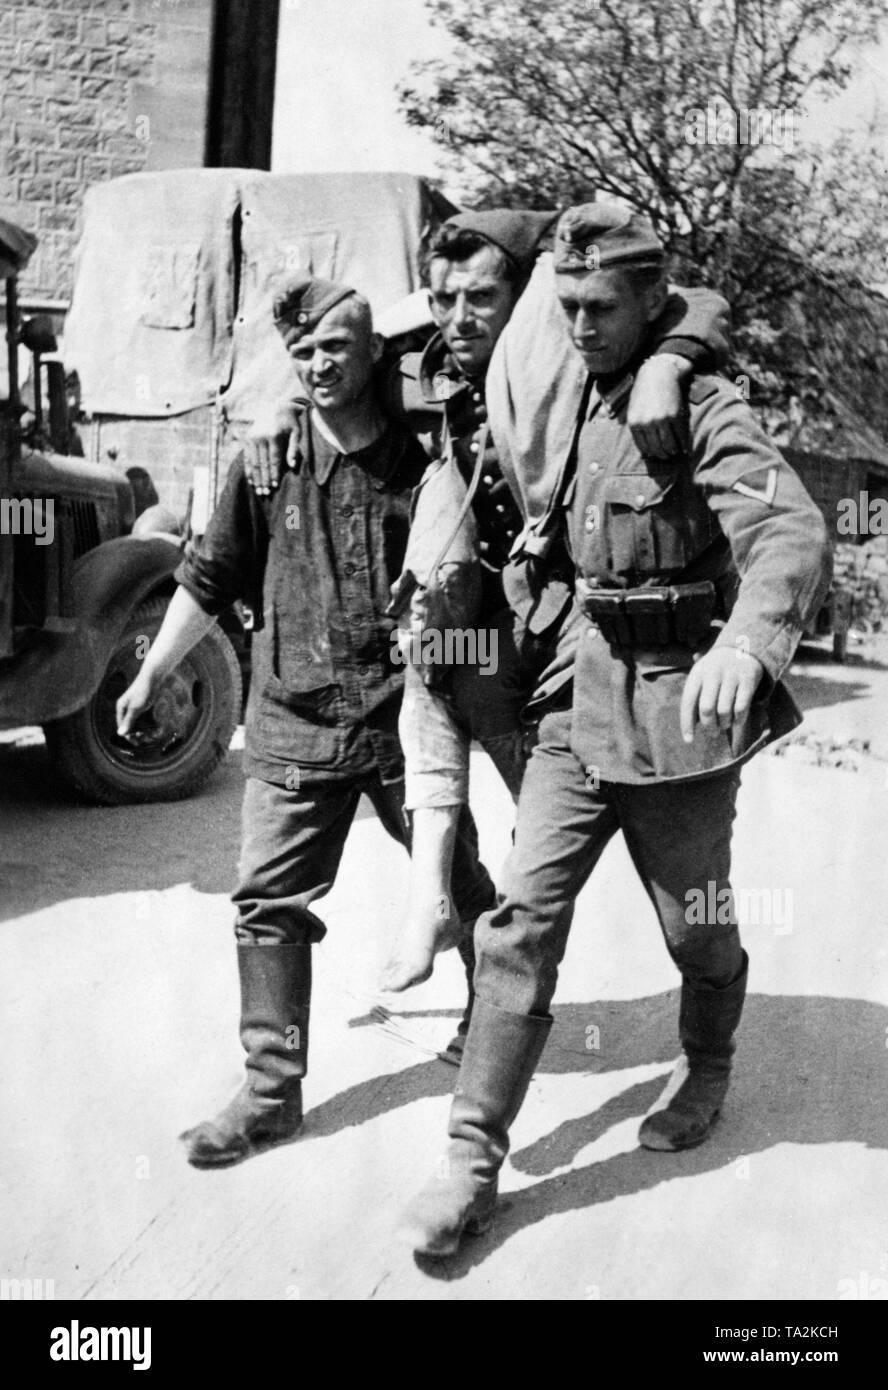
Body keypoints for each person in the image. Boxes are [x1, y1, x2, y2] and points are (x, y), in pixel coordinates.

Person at [399, 202, 831, 1257]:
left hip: (684, 712)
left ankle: (710, 1062)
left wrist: (746, 644)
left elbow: (791, 528)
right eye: (569, 305)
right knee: (519, 921)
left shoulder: (702, 404)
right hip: (577, 701)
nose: (581, 325)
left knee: (696, 923)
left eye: (601, 307)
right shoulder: (579, 400)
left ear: (650, 302)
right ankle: (469, 1159)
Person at [246, 211, 732, 1010]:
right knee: (432, 659)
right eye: (443, 298)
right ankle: (442, 921)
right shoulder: (423, 359)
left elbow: (697, 303)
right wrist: (279, 405)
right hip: (506, 621)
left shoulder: (566, 346)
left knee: (668, 885)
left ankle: (700, 1002)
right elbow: (327, 352)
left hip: (601, 630)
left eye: (479, 297)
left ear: (524, 293)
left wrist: (667, 363)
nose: (459, 316)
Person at [116, 276, 496, 1169]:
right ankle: (270, 1091)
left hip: (407, 720)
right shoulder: (268, 463)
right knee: (266, 905)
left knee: (460, 885)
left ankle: (491, 1027)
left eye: (335, 348)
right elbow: (209, 577)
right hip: (293, 717)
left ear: (371, 355)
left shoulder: (423, 465)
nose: (319, 365)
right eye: (304, 352)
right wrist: (151, 676)